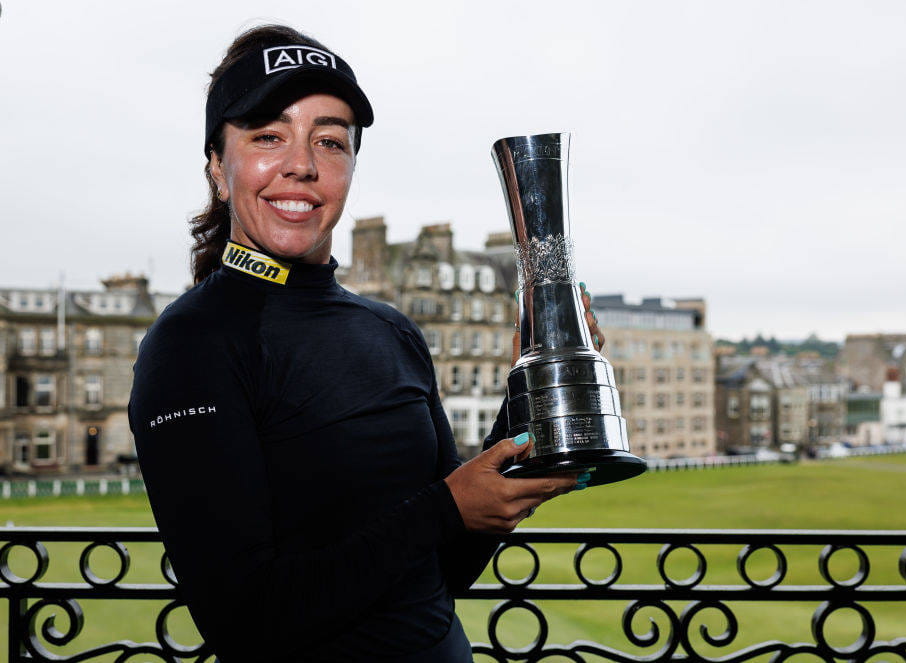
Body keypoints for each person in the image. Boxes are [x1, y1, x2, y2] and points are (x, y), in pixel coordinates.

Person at [128, 24, 604, 663]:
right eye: (268, 136)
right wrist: (444, 508)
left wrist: (534, 387)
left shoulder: (390, 329)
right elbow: (243, 620)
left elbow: (438, 570)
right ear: (218, 167)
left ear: (350, 168)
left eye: (329, 140)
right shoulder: (189, 345)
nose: (302, 163)